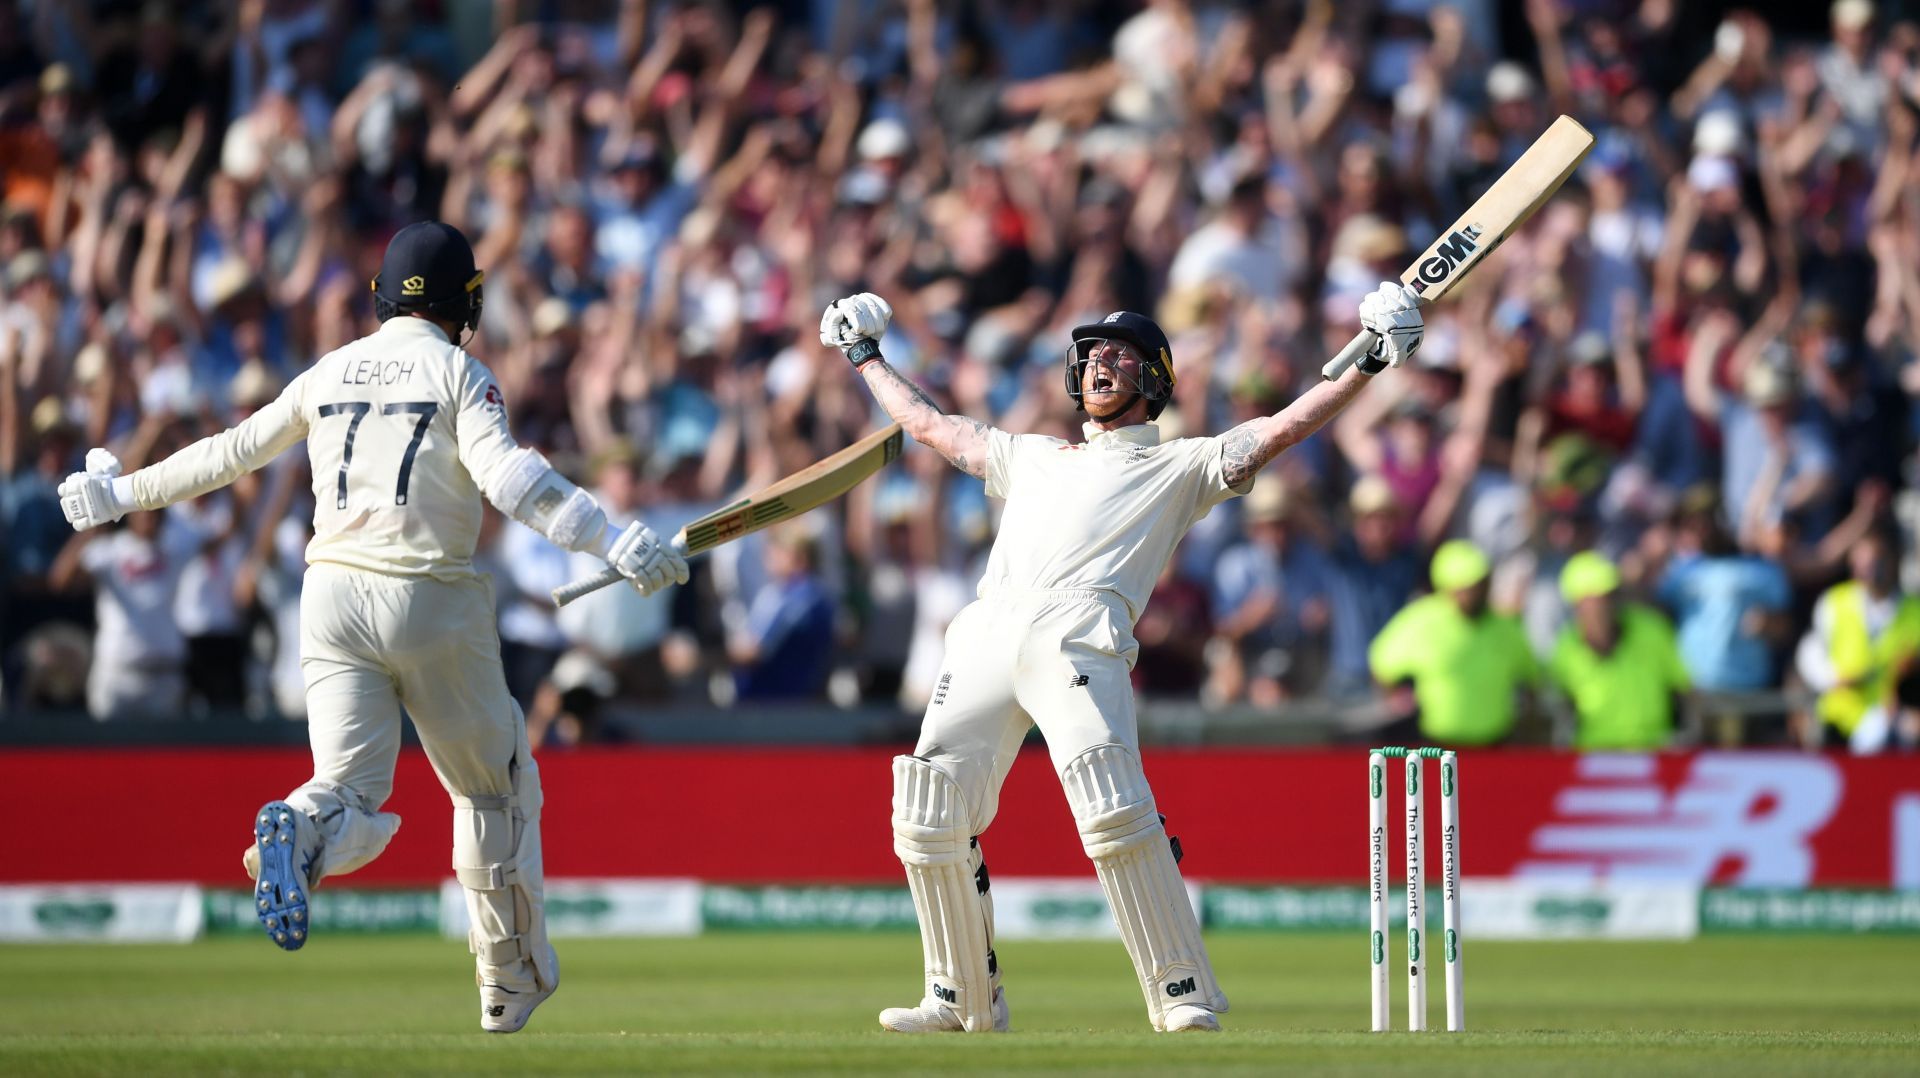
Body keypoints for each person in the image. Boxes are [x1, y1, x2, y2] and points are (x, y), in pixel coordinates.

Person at [56, 221, 688, 1033]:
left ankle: (304, 823)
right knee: (493, 789)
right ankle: (507, 979)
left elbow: (229, 452)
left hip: (329, 600)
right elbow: (511, 479)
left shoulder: (329, 371)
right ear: (465, 299)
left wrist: (118, 496)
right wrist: (614, 537)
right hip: (429, 598)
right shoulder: (461, 371)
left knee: (349, 787)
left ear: (383, 296)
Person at [819, 281, 1425, 1033]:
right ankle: (962, 999)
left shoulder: (1179, 467)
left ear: (1155, 379)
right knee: (925, 810)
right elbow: (934, 427)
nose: (1101, 360)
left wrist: (1369, 359)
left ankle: (1182, 992)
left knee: (1111, 807)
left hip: (1081, 635)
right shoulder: (1031, 454)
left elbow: (1279, 430)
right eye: (1092, 353)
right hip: (987, 627)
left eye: (1121, 354)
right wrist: (864, 355)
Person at [1369, 540, 1538, 747]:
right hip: (1438, 745)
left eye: (1479, 585)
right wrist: (1395, 698)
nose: (1474, 593)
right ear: (1447, 587)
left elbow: (1531, 677)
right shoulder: (1422, 620)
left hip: (1497, 745)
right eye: (1465, 588)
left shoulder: (1505, 626)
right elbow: (1381, 661)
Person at [1546, 551, 1689, 750]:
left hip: (1654, 750)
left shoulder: (1652, 630)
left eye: (1611, 594)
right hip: (1593, 753)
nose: (1606, 605)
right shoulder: (1566, 647)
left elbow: (1685, 687)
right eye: (1596, 599)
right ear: (1578, 605)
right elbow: (1559, 701)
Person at [1795, 529, 1920, 753]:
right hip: (1840, 719)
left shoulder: (1915, 610)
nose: (1871, 570)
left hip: (1896, 726)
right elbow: (1811, 650)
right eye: (1864, 562)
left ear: (1895, 560)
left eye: (1878, 561)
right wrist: (1833, 677)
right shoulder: (1834, 602)